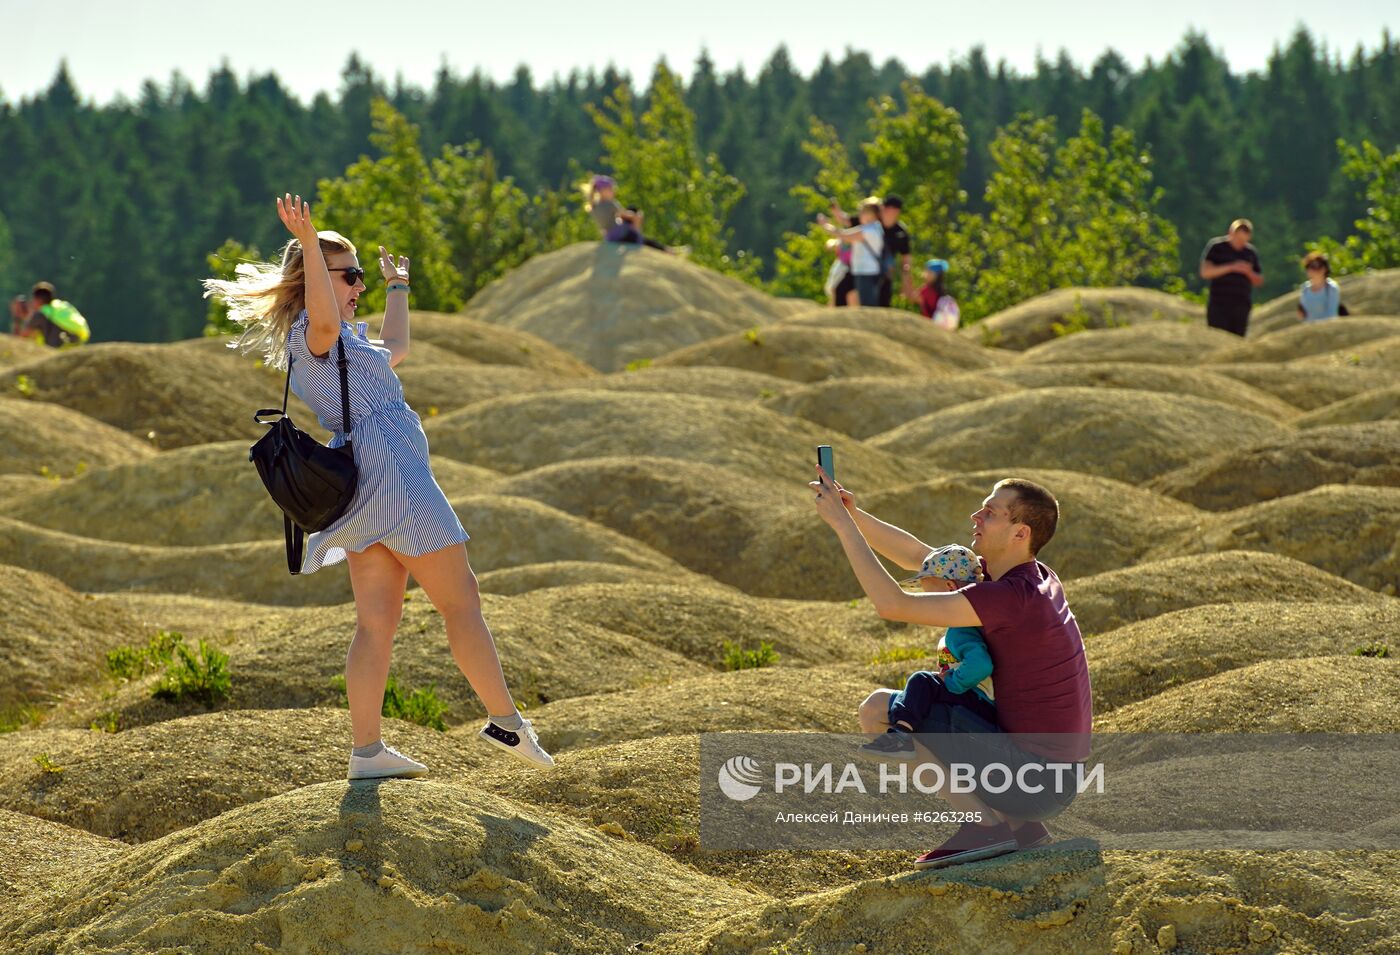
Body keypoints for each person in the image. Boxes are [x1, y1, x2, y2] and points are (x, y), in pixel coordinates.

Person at [203, 194, 554, 780]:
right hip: (395, 478)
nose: (358, 285)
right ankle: (507, 723)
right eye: (353, 275)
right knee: (460, 599)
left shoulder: (343, 338)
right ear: (317, 276)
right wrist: (312, 242)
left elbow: (398, 350)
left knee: (376, 623)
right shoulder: (317, 333)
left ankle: (366, 752)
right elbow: (322, 311)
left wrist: (399, 288)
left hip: (363, 492)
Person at [811, 469, 1092, 869]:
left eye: (991, 513)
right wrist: (853, 514)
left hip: (1037, 781)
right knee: (915, 700)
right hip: (1049, 777)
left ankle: (984, 828)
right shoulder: (1034, 577)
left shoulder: (1011, 597)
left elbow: (893, 604)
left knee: (881, 712)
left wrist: (841, 527)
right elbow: (923, 560)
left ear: (1020, 533)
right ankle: (1019, 826)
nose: (976, 516)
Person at [858, 544, 995, 759]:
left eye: (928, 594)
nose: (925, 600)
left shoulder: (962, 630)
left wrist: (952, 681)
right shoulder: (969, 623)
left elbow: (981, 664)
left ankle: (901, 736)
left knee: (921, 680)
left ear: (950, 587)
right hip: (975, 701)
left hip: (977, 703)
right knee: (925, 684)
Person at [1199, 219, 1264, 337]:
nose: (1240, 243)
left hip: (1241, 305)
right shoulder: (1217, 247)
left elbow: (1259, 281)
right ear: (1230, 233)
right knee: (1217, 337)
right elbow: (1205, 272)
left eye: (1243, 240)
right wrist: (1231, 267)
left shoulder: (1250, 253)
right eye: (1238, 239)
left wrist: (1248, 272)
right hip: (1219, 304)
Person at [819, 197, 884, 307]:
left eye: (862, 211)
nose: (860, 215)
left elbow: (845, 236)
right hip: (858, 270)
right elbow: (846, 225)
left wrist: (826, 226)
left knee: (867, 303)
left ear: (871, 214)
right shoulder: (870, 228)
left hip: (867, 272)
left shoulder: (870, 230)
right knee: (840, 290)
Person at [586, 174, 667, 252]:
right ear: (602, 191)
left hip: (609, 237)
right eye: (611, 190)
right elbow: (626, 215)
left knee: (630, 215)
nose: (613, 192)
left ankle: (643, 240)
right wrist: (637, 215)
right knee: (633, 211)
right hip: (621, 235)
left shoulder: (594, 207)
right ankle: (638, 240)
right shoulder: (610, 204)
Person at [21, 282, 90, 347]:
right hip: (78, 341)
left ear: (38, 300)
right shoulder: (62, 306)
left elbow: (23, 337)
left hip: (57, 347)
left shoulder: (41, 314)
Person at [878, 195, 913, 307]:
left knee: (883, 302)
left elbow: (906, 258)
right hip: (865, 269)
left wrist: (906, 281)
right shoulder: (872, 224)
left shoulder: (901, 232)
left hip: (886, 272)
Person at [1297, 251, 1343, 322]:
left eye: (1320, 266)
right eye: (1312, 266)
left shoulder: (1331, 288)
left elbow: (1332, 314)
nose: (1317, 269)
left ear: (1325, 268)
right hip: (1309, 329)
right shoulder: (1305, 288)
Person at [918, 259, 961, 330]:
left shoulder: (926, 291)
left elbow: (911, 297)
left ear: (934, 275)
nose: (924, 274)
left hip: (928, 328)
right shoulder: (943, 291)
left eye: (928, 272)